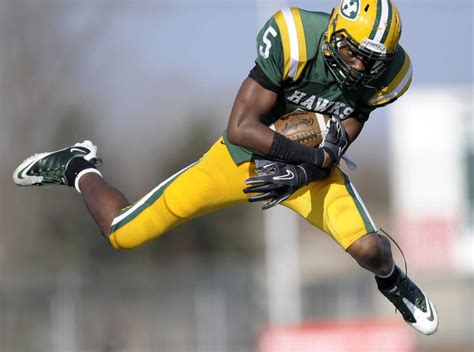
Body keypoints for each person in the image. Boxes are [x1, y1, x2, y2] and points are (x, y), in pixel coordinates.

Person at [13, 0, 438, 335]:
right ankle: (77, 166)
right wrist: (310, 157)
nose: (359, 66)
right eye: (353, 52)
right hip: (245, 159)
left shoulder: (391, 74)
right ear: (333, 32)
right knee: (124, 232)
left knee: (371, 250)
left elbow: (354, 117)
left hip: (310, 173)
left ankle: (394, 283)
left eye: (371, 61)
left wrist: (311, 169)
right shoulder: (295, 38)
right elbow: (239, 128)